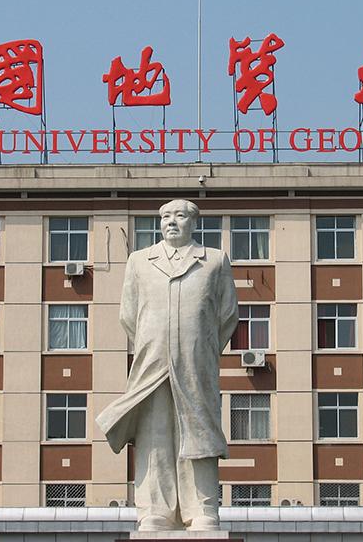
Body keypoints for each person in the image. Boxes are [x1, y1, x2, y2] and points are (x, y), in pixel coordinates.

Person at [96, 199, 238, 531]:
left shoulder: (214, 261)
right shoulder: (139, 262)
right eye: (165, 217)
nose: (171, 222)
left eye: (179, 216)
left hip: (195, 364)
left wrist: (198, 346)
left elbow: (227, 315)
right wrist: (155, 341)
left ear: (193, 222)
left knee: (199, 434)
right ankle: (154, 509)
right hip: (151, 361)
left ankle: (201, 508)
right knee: (153, 435)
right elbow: (129, 315)